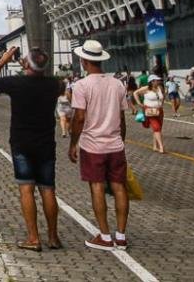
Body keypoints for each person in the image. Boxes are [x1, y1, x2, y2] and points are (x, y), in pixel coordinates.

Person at [0, 47, 65, 252]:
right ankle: (53, 237)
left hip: (22, 143)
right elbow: (46, 80)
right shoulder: (55, 85)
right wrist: (30, 65)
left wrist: (4, 59)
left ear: (27, 65)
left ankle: (33, 238)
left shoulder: (16, 83)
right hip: (46, 143)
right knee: (48, 189)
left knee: (26, 189)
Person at [68, 40, 130, 251]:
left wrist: (73, 143)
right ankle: (121, 235)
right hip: (115, 145)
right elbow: (122, 118)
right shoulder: (117, 84)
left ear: (84, 61)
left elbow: (79, 118)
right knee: (120, 187)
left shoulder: (81, 86)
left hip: (92, 145)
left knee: (97, 187)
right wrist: (121, 140)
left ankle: (104, 236)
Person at [133, 75, 166, 153]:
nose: (158, 82)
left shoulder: (159, 88)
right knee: (156, 127)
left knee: (158, 129)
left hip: (159, 111)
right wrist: (139, 103)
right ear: (152, 81)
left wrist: (161, 104)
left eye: (158, 80)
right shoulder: (146, 88)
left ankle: (155, 146)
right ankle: (161, 147)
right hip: (149, 111)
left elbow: (162, 97)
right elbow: (135, 93)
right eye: (156, 80)